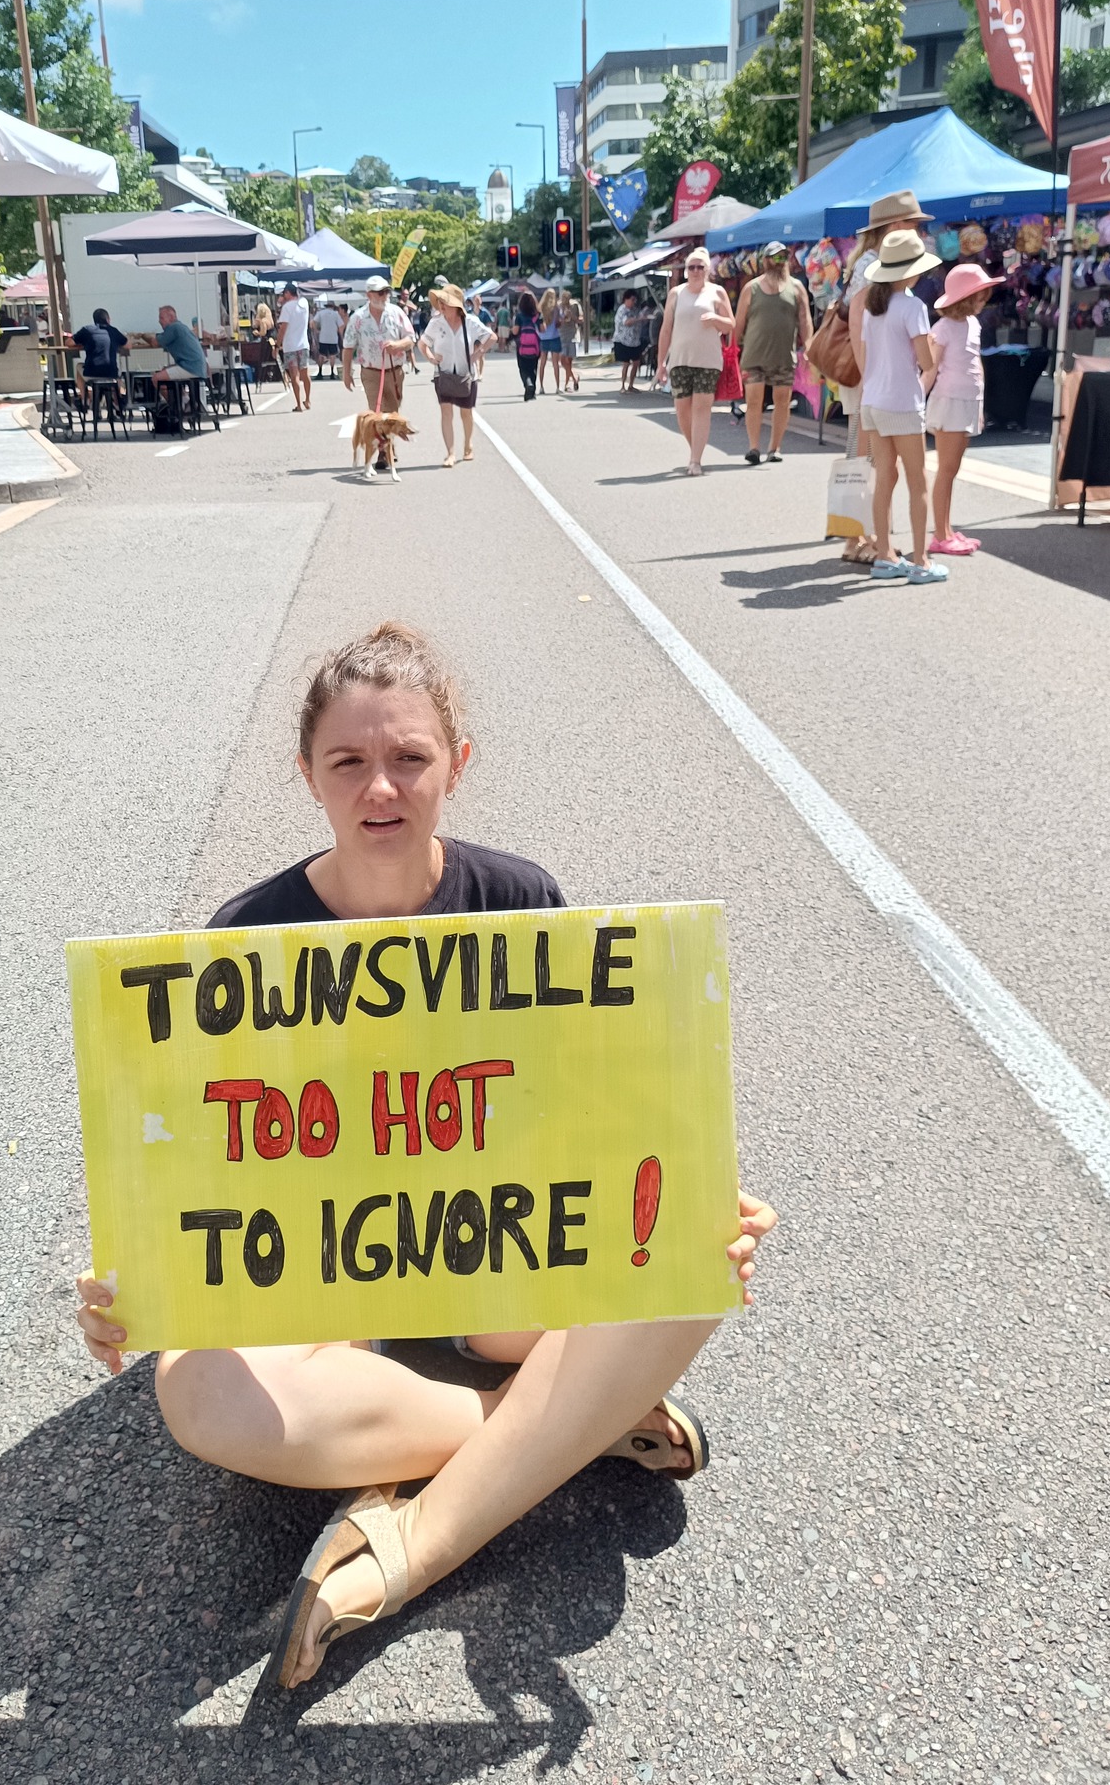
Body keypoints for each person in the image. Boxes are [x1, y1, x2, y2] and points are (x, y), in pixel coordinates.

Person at [74, 619, 779, 1691]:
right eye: (349, 761)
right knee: (198, 1396)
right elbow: (192, 1167)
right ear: (307, 774)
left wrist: (693, 1198)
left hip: (497, 1272)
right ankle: (566, 1428)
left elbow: (592, 1120)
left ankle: (420, 1537)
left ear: (457, 762)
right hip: (327, 1286)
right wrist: (137, 1280)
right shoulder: (245, 934)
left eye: (409, 757)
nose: (382, 788)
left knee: (692, 1256)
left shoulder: (522, 900)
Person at [856, 229, 949, 584]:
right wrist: (931, 350)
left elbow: (868, 355)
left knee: (885, 477)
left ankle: (884, 554)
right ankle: (921, 560)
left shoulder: (872, 308)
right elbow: (926, 362)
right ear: (910, 271)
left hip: (873, 400)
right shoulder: (913, 307)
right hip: (902, 402)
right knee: (916, 481)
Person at [926, 262, 996, 557]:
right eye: (980, 296)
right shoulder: (942, 328)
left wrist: (979, 403)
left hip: (966, 402)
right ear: (967, 297)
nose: (983, 301)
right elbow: (930, 369)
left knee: (950, 470)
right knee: (947, 470)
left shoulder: (972, 324)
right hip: (950, 401)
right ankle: (940, 534)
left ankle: (946, 530)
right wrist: (915, 400)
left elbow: (975, 363)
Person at [656, 250, 734, 475]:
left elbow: (730, 324)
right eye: (692, 267)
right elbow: (666, 329)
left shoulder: (717, 292)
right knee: (682, 409)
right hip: (680, 359)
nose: (696, 271)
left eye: (701, 267)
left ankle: (695, 460)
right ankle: (695, 450)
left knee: (701, 407)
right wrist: (661, 363)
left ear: (708, 270)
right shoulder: (676, 293)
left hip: (708, 360)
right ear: (685, 271)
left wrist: (716, 319)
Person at [734, 244, 812, 465]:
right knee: (754, 400)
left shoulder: (796, 287)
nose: (779, 261)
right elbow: (739, 322)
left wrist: (808, 346)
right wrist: (732, 351)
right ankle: (754, 447)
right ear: (765, 260)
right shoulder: (752, 288)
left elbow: (805, 320)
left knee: (782, 402)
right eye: (774, 258)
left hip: (784, 356)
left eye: (783, 257)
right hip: (754, 355)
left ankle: (775, 448)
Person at [421, 282, 496, 465]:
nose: (441, 306)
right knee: (446, 412)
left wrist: (479, 353)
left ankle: (468, 445)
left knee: (466, 413)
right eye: (440, 302)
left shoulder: (469, 322)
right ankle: (450, 453)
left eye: (445, 302)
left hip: (466, 375)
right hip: (443, 374)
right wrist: (431, 357)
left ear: (456, 306)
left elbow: (491, 337)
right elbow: (422, 344)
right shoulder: (436, 323)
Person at [343, 277, 417, 418]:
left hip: (395, 373)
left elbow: (411, 339)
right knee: (377, 414)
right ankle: (381, 440)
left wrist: (397, 345)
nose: (384, 296)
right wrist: (347, 373)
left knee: (393, 415)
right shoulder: (357, 318)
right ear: (369, 295)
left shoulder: (396, 313)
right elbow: (348, 347)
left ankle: (387, 439)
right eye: (380, 292)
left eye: (386, 292)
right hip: (371, 373)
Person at [70, 307, 129, 429]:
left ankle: (84, 399)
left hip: (92, 372)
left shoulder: (87, 330)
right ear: (108, 319)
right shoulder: (113, 331)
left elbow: (69, 343)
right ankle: (118, 402)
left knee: (78, 366)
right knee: (115, 376)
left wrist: (83, 343)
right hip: (111, 373)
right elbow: (128, 345)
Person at [276, 284, 313, 410]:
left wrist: (277, 344)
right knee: (305, 373)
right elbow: (300, 299)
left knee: (294, 375)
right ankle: (307, 400)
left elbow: (283, 328)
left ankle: (298, 404)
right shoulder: (304, 304)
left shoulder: (287, 307)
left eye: (283, 294)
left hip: (290, 345)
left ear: (287, 293)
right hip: (303, 344)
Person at [613, 290, 645, 393]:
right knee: (626, 363)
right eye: (632, 300)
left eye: (634, 300)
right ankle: (622, 385)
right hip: (623, 340)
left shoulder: (635, 310)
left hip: (634, 340)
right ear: (626, 299)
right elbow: (627, 322)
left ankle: (631, 385)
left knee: (636, 362)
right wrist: (638, 319)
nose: (633, 302)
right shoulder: (622, 310)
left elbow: (640, 317)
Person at [513, 291, 542, 400]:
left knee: (523, 369)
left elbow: (516, 331)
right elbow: (542, 329)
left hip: (522, 346)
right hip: (535, 346)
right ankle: (533, 391)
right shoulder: (538, 314)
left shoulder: (519, 316)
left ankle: (528, 384)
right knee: (533, 368)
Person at [537, 287, 563, 393]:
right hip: (555, 337)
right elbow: (560, 320)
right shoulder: (556, 308)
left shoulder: (540, 308)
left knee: (542, 363)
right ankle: (558, 387)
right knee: (555, 363)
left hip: (543, 338)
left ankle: (541, 387)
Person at [557, 291, 581, 390]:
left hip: (572, 335)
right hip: (561, 335)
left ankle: (567, 384)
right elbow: (556, 321)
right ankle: (575, 377)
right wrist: (562, 318)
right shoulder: (558, 306)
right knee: (562, 360)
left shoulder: (575, 305)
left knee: (569, 361)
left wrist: (572, 316)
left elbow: (580, 320)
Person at [315, 301, 344, 379]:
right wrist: (341, 335)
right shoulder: (336, 314)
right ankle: (332, 373)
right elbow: (341, 325)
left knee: (321, 355)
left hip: (323, 337)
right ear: (333, 306)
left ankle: (320, 372)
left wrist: (316, 331)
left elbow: (313, 322)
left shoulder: (321, 313)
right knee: (332, 355)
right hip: (333, 338)